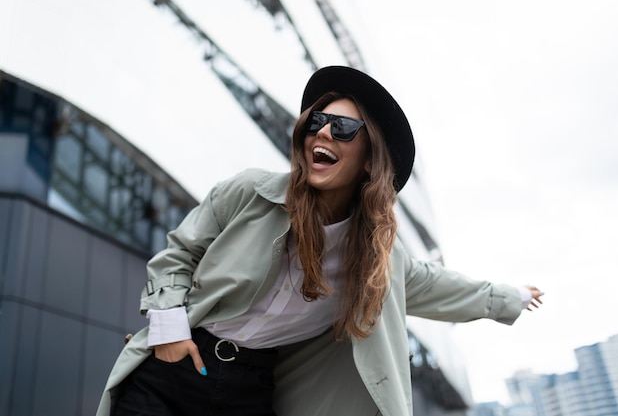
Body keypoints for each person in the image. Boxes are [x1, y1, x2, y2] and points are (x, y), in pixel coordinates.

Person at [97, 66, 543, 416]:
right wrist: (170, 335)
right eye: (318, 121)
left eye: (344, 129)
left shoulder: (376, 259)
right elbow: (178, 255)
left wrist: (513, 296)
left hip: (253, 389)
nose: (324, 133)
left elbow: (440, 285)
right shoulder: (249, 192)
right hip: (175, 366)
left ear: (370, 162)